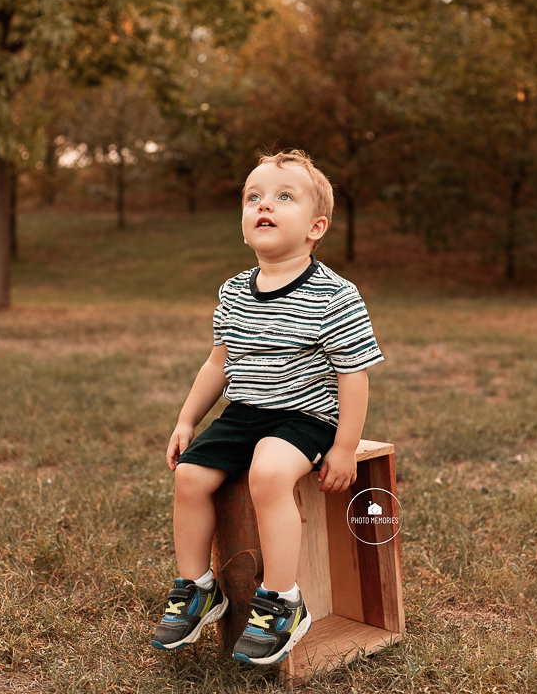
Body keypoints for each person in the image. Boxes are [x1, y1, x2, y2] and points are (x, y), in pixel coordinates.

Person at [150, 150, 384, 665]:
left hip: (306, 417)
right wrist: (187, 419)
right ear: (243, 222)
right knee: (189, 476)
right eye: (253, 197)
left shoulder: (334, 295)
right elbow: (218, 364)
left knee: (269, 473)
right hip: (245, 412)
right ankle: (197, 588)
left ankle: (282, 599)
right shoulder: (234, 291)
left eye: (283, 197)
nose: (264, 205)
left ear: (315, 227)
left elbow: (354, 373)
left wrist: (344, 446)